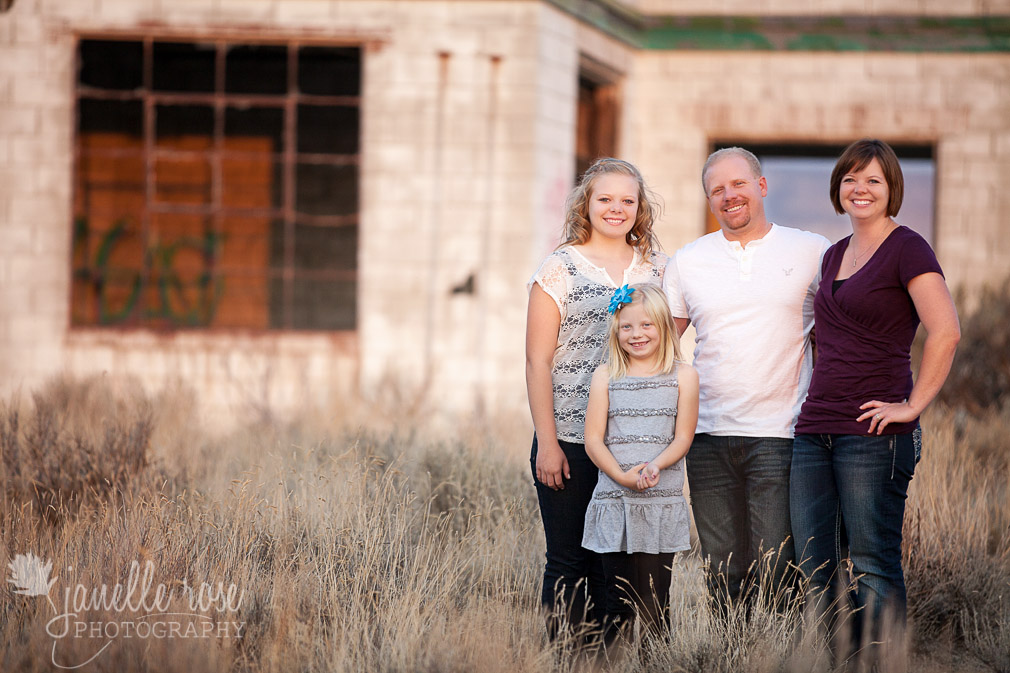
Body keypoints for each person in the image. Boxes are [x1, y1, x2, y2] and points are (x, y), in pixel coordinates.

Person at [790, 139, 960, 667]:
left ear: (892, 191)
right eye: (850, 179)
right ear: (838, 188)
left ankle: (883, 663)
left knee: (871, 564)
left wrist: (911, 406)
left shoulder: (908, 247)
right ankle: (840, 661)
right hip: (814, 429)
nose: (859, 189)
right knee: (816, 563)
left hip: (873, 436)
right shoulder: (833, 254)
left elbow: (946, 332)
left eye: (873, 181)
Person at [663, 147, 830, 611]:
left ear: (761, 185)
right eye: (717, 189)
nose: (728, 195)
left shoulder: (811, 250)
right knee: (723, 569)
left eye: (738, 184)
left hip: (781, 434)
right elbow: (660, 347)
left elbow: (840, 332)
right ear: (708, 200)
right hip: (706, 436)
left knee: (777, 566)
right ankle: (730, 653)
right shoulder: (688, 261)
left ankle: (777, 655)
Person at [526, 157, 668, 638]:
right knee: (569, 561)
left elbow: (670, 343)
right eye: (605, 198)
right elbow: (538, 361)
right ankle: (564, 659)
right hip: (568, 435)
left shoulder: (657, 268)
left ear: (640, 208)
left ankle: (613, 658)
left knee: (621, 564)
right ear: (586, 203)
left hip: (634, 441)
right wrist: (548, 442)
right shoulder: (560, 267)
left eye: (628, 200)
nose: (616, 208)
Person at [581, 283, 699, 643]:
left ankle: (656, 662)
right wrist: (621, 476)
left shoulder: (684, 377)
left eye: (647, 325)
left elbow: (683, 438)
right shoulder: (606, 376)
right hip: (616, 502)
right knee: (616, 603)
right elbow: (593, 440)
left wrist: (654, 467)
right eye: (627, 326)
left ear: (664, 326)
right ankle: (613, 661)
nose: (637, 334)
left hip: (660, 501)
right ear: (616, 330)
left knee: (655, 603)